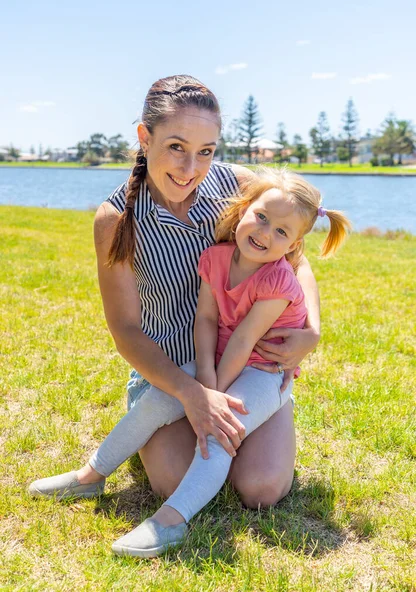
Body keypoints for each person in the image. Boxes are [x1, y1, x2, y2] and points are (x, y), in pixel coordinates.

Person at [29, 75, 322, 550]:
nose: (191, 167)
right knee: (171, 480)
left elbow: (296, 260)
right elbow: (125, 331)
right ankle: (97, 474)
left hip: (245, 365)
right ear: (145, 139)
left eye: (206, 150)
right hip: (167, 372)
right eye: (177, 147)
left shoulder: (239, 188)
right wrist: (192, 392)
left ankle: (251, 427)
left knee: (262, 489)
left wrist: (312, 329)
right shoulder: (117, 218)